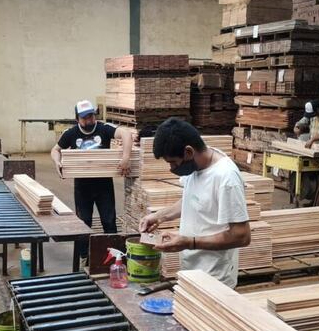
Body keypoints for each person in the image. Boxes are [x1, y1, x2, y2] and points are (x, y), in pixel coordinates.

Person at [139, 118, 251, 288]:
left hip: (215, 278)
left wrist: (189, 242)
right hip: (191, 270)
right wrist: (158, 216)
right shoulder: (197, 165)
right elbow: (192, 199)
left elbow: (241, 235)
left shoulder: (226, 178)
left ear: (189, 152)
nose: (172, 168)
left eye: (173, 162)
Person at [51, 100, 133, 261]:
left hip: (104, 185)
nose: (89, 120)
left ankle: (114, 257)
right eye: (84, 118)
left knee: (109, 221)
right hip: (82, 186)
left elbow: (126, 134)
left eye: (91, 116)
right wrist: (57, 162)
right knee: (83, 222)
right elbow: (55, 150)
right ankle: (84, 258)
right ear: (77, 119)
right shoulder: (71, 133)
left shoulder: (103, 129)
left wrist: (126, 157)